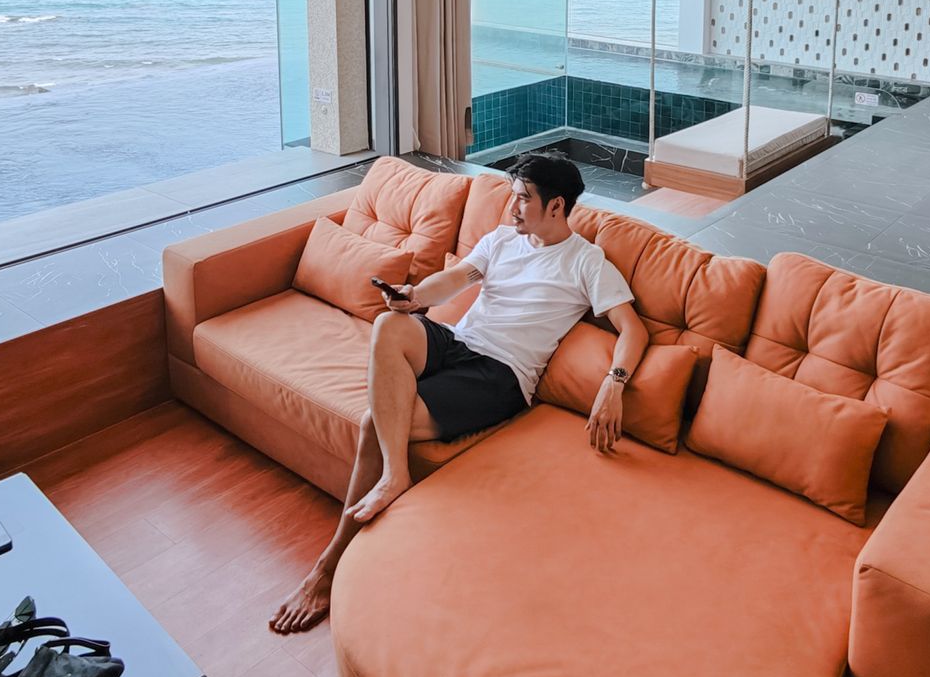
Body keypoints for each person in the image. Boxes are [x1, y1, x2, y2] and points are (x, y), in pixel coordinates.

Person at [269, 152, 647, 635]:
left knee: (371, 423)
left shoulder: (586, 262)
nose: (512, 207)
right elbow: (455, 279)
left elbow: (632, 330)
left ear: (557, 207)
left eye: (523, 199)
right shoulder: (503, 240)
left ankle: (326, 567)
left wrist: (613, 385)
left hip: (499, 374)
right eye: (512, 195)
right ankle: (396, 476)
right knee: (391, 323)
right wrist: (415, 296)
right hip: (457, 344)